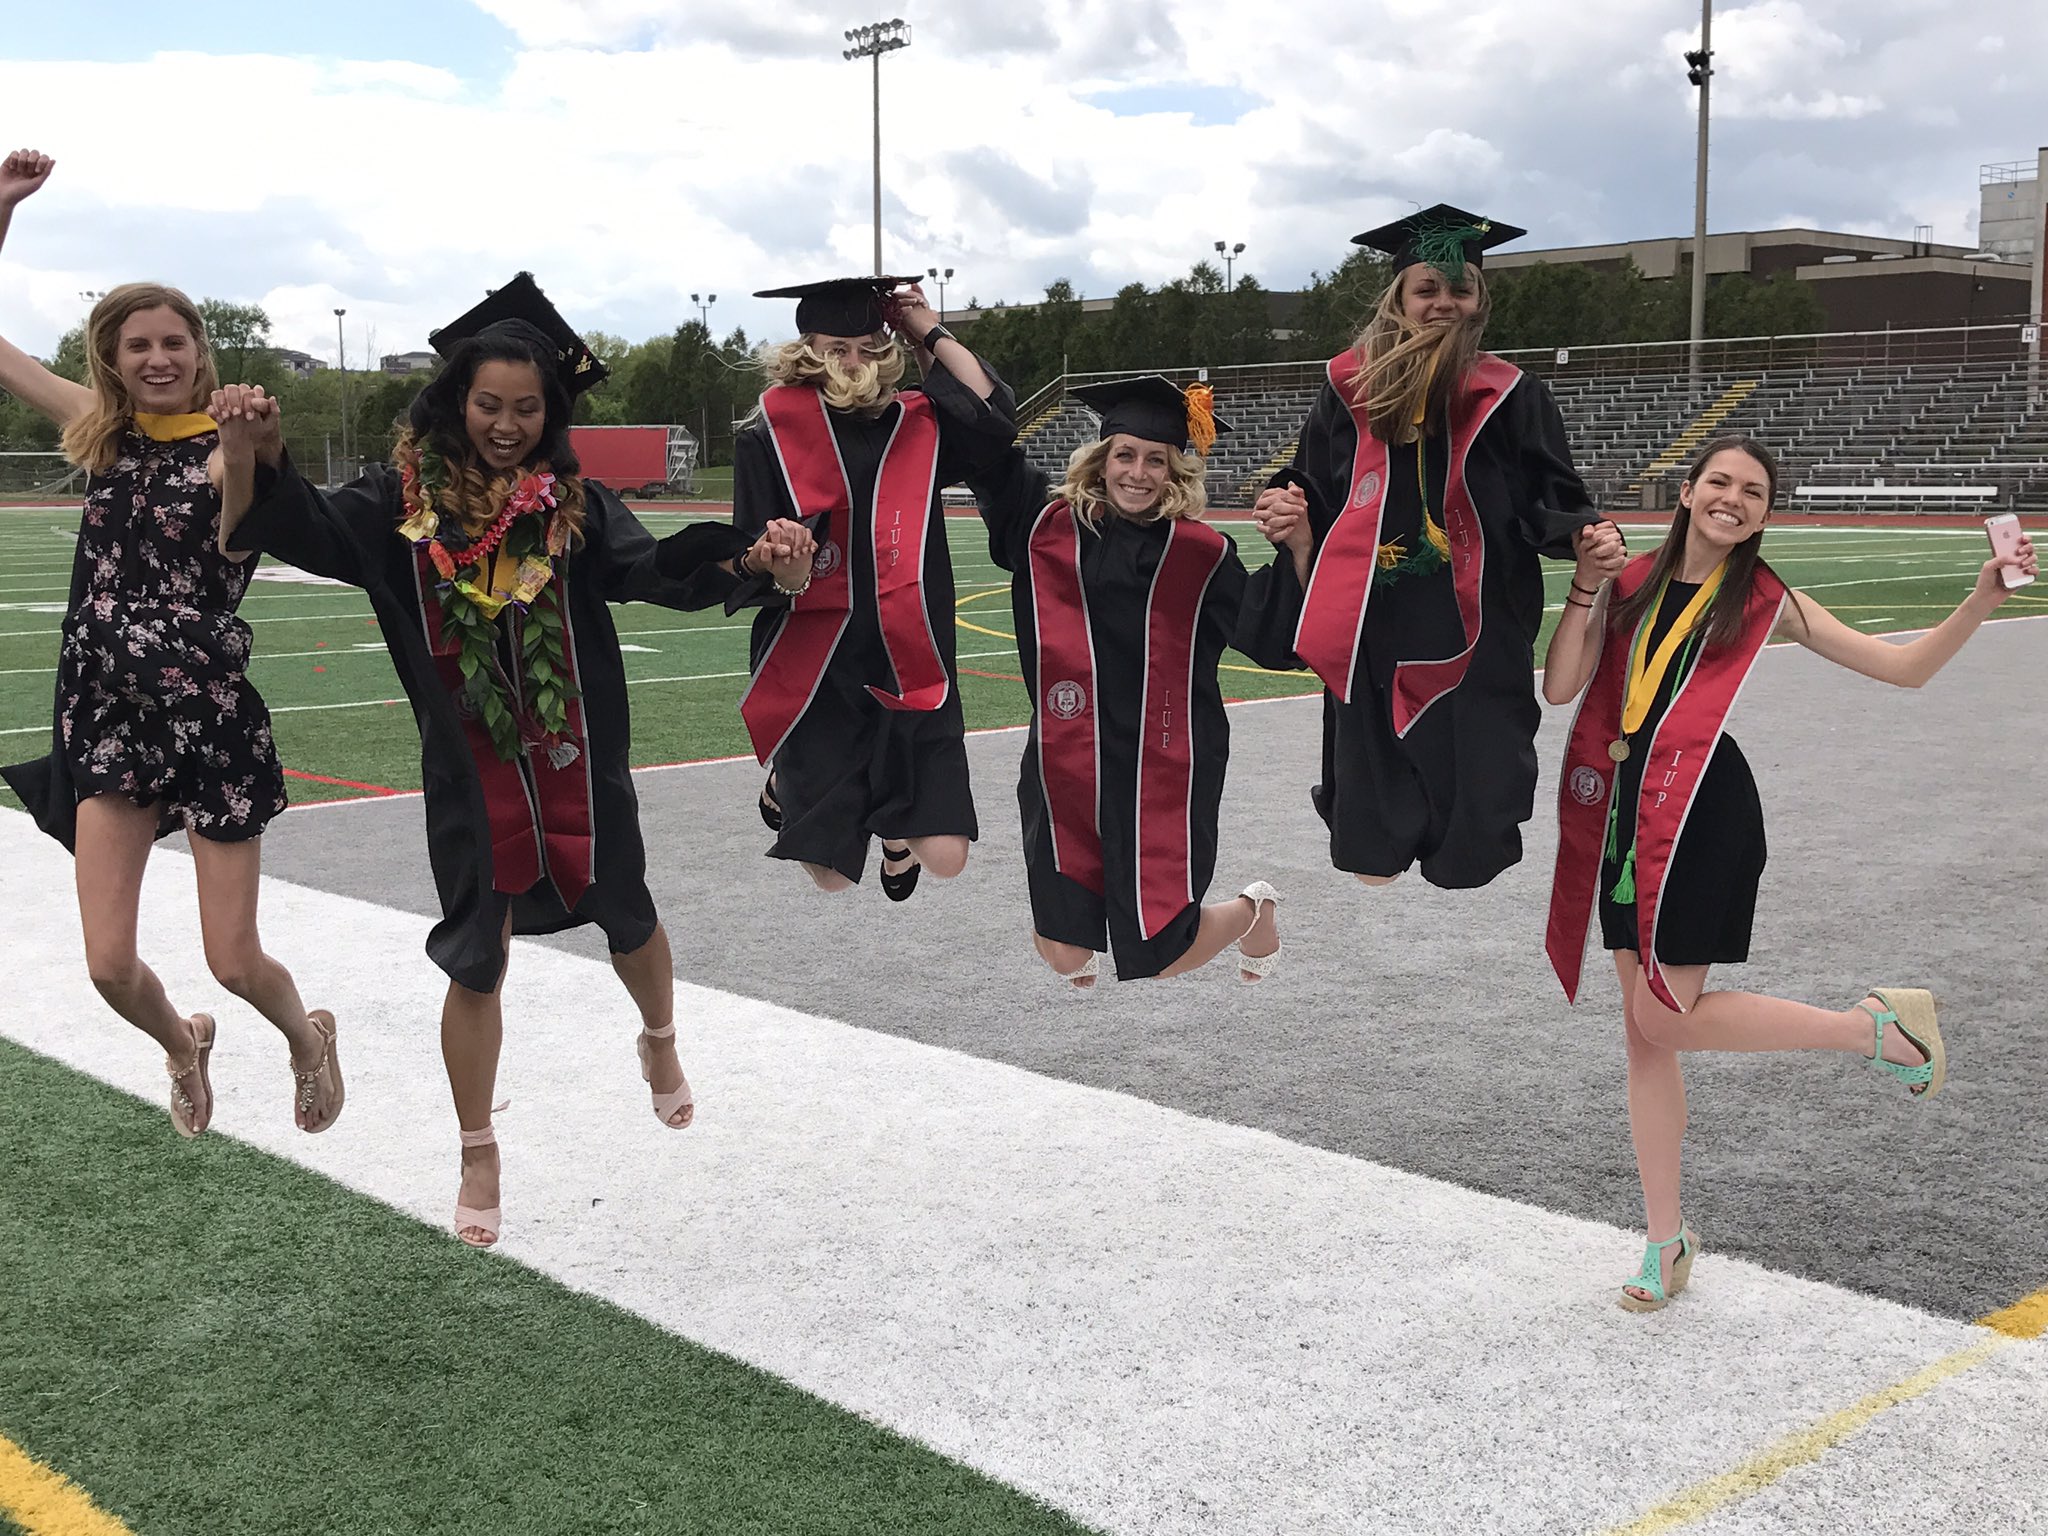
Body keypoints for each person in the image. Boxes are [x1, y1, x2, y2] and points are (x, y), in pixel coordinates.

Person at [212, 274, 809, 1247]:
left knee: (628, 914)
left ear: (551, 411)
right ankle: (477, 1145)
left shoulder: (570, 507)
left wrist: (749, 560)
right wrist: (260, 447)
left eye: (527, 408)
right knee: (477, 960)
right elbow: (301, 524)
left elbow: (654, 570)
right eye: (488, 403)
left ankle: (657, 1039)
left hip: (579, 754)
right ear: (454, 400)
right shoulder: (393, 509)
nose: (505, 424)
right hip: (467, 775)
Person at [1542, 435, 2039, 1312]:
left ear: (1766, 515)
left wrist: (1980, 598)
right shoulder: (1627, 583)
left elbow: (1904, 669)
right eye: (1720, 483)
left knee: (1665, 1017)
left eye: (1755, 493)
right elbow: (1562, 686)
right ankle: (1667, 1241)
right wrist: (1583, 583)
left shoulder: (1769, 602)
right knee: (1644, 1036)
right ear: (1688, 491)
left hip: (1700, 812)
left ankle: (1874, 1030)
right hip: (1623, 812)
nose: (1733, 499)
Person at [0, 146, 342, 1139]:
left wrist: (243, 443)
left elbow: (238, 528)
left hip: (208, 715)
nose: (158, 357)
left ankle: (306, 1038)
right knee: (108, 963)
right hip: (108, 712)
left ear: (202, 349)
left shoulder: (234, 435)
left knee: (234, 959)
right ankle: (181, 1045)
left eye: (175, 341)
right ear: (110, 357)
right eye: (137, 343)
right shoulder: (100, 433)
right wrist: (5, 206)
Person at [1239, 204, 1615, 889]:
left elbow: (1551, 494)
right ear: (1400, 299)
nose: (1443, 301)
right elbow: (1314, 479)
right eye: (1427, 289)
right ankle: (1376, 836)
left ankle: (1462, 845)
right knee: (1373, 783)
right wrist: (1287, 500)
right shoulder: (1348, 387)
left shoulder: (1512, 395)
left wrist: (1584, 532)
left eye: (1459, 288)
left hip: (1478, 618)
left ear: (1479, 300)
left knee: (1472, 781)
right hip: (1376, 613)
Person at [966, 375, 1280, 987]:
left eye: (1156, 459)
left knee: (1159, 956)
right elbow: (987, 448)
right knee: (1063, 954)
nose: (1138, 472)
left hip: (1164, 764)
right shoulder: (1042, 529)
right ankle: (1081, 936)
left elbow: (1271, 635)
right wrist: (929, 334)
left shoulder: (1202, 554)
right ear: (1101, 459)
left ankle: (1251, 911)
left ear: (1174, 472)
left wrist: (1297, 546)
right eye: (1125, 455)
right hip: (1067, 764)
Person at [707, 277, 1014, 899]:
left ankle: (894, 827)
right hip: (821, 667)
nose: (852, 362)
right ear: (807, 351)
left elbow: (992, 414)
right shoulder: (767, 432)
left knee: (949, 857)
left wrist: (925, 326)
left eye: (867, 347)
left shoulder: (919, 424)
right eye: (835, 348)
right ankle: (792, 787)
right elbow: (746, 556)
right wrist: (784, 566)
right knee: (831, 881)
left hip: (911, 655)